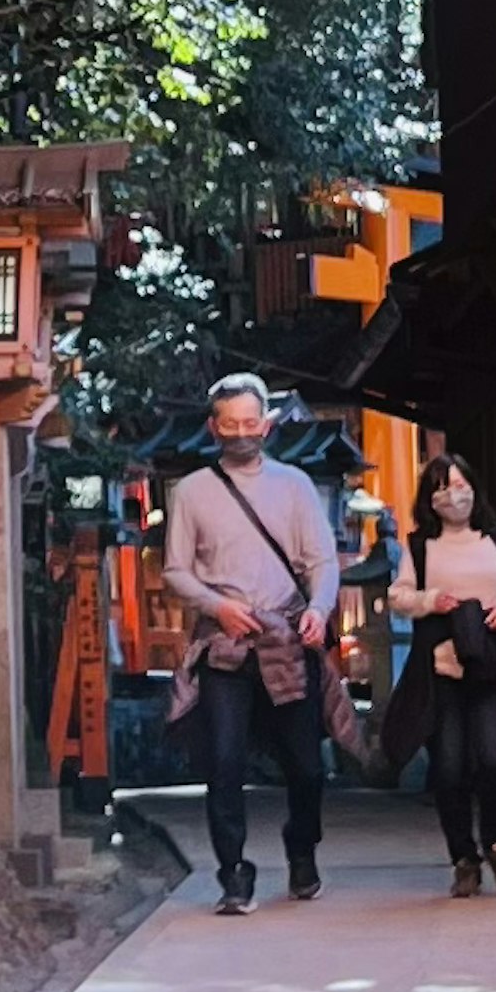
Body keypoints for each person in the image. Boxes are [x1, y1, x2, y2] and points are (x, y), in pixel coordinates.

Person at [163, 378, 344, 911]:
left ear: (267, 425)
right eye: (231, 424)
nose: (242, 434)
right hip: (226, 645)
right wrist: (218, 607)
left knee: (308, 766)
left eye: (251, 423)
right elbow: (177, 569)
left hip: (287, 637)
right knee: (224, 763)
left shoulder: (295, 485)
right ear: (213, 427)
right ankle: (233, 874)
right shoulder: (192, 490)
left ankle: (302, 850)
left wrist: (318, 609)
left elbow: (322, 560)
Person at [406, 443, 496, 894]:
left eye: (460, 487)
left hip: (491, 665)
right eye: (442, 489)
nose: (454, 497)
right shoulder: (420, 546)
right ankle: (463, 856)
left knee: (495, 759)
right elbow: (398, 595)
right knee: (449, 767)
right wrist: (430, 600)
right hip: (443, 668)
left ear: (474, 490)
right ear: (430, 498)